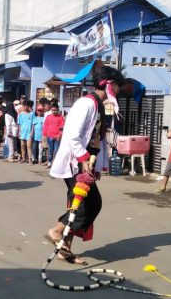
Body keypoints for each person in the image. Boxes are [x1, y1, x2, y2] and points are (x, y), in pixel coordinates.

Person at [46, 63, 126, 265]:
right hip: (75, 163)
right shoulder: (87, 103)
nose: (119, 90)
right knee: (90, 204)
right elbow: (73, 136)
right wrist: (83, 160)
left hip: (85, 164)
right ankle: (56, 231)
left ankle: (65, 247)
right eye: (118, 85)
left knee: (78, 203)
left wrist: (96, 166)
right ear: (110, 84)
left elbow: (96, 139)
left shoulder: (99, 105)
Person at [44, 103, 65, 167]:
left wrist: (59, 135)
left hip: (57, 137)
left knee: (56, 151)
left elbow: (62, 128)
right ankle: (49, 162)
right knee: (50, 150)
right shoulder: (48, 117)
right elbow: (45, 126)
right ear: (51, 110)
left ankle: (55, 163)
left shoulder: (60, 117)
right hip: (49, 136)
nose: (54, 111)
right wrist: (44, 134)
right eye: (52, 110)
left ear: (58, 110)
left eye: (55, 110)